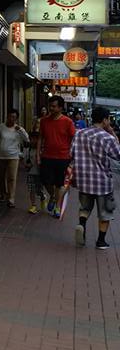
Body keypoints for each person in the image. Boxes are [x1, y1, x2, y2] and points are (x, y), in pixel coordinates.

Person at [71, 105, 120, 249]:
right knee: (105, 212)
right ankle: (101, 241)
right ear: (105, 120)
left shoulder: (79, 134)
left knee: (84, 208)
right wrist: (112, 133)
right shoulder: (107, 137)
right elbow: (117, 155)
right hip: (102, 182)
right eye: (108, 119)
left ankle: (82, 224)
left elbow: (71, 153)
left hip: (83, 180)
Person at [37, 95, 75, 218]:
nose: (51, 108)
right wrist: (38, 155)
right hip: (47, 156)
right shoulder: (44, 121)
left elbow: (73, 138)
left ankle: (57, 207)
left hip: (63, 157)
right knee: (45, 180)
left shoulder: (68, 122)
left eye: (54, 106)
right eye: (50, 106)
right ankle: (53, 196)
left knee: (59, 183)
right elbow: (40, 138)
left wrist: (72, 156)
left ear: (60, 108)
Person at [0, 108, 29, 208]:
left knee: (12, 177)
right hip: (1, 155)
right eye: (9, 117)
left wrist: (20, 130)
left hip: (13, 156)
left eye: (13, 117)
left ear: (16, 119)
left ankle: (11, 198)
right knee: (1, 177)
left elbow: (27, 139)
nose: (11, 119)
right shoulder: (2, 126)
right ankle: (3, 194)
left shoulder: (18, 129)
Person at [27, 106, 48, 214]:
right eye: (37, 123)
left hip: (41, 166)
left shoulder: (45, 136)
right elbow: (27, 147)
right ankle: (33, 205)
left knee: (39, 188)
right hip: (31, 166)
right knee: (31, 187)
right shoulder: (31, 135)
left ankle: (43, 197)